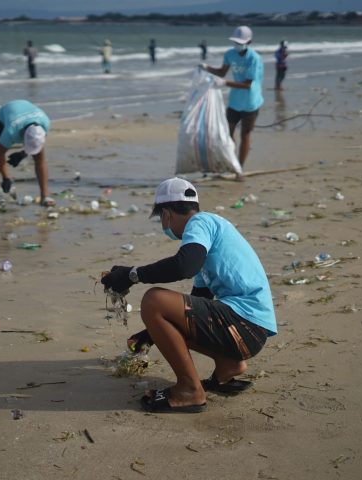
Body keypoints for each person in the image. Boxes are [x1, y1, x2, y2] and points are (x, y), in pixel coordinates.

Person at [101, 178, 277, 413]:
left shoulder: (200, 223)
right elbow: (198, 304)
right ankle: (228, 364)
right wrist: (150, 333)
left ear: (166, 214)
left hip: (245, 324)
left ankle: (188, 390)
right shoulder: (211, 234)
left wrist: (131, 275)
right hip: (249, 331)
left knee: (153, 300)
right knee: (166, 310)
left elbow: (184, 266)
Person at [199, 26, 264, 169]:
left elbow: (247, 85)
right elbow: (222, 72)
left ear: (249, 42)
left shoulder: (254, 59)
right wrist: (207, 68)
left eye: (240, 42)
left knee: (245, 135)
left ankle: (239, 168)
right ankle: (230, 161)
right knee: (228, 133)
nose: (237, 45)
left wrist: (225, 83)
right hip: (235, 101)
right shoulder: (230, 54)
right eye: (235, 42)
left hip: (250, 102)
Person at [0, 99, 53, 207]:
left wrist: (23, 154)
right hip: (6, 112)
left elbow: (36, 143)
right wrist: (6, 178)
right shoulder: (10, 131)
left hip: (26, 108)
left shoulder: (45, 123)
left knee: (40, 157)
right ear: (22, 136)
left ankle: (45, 195)